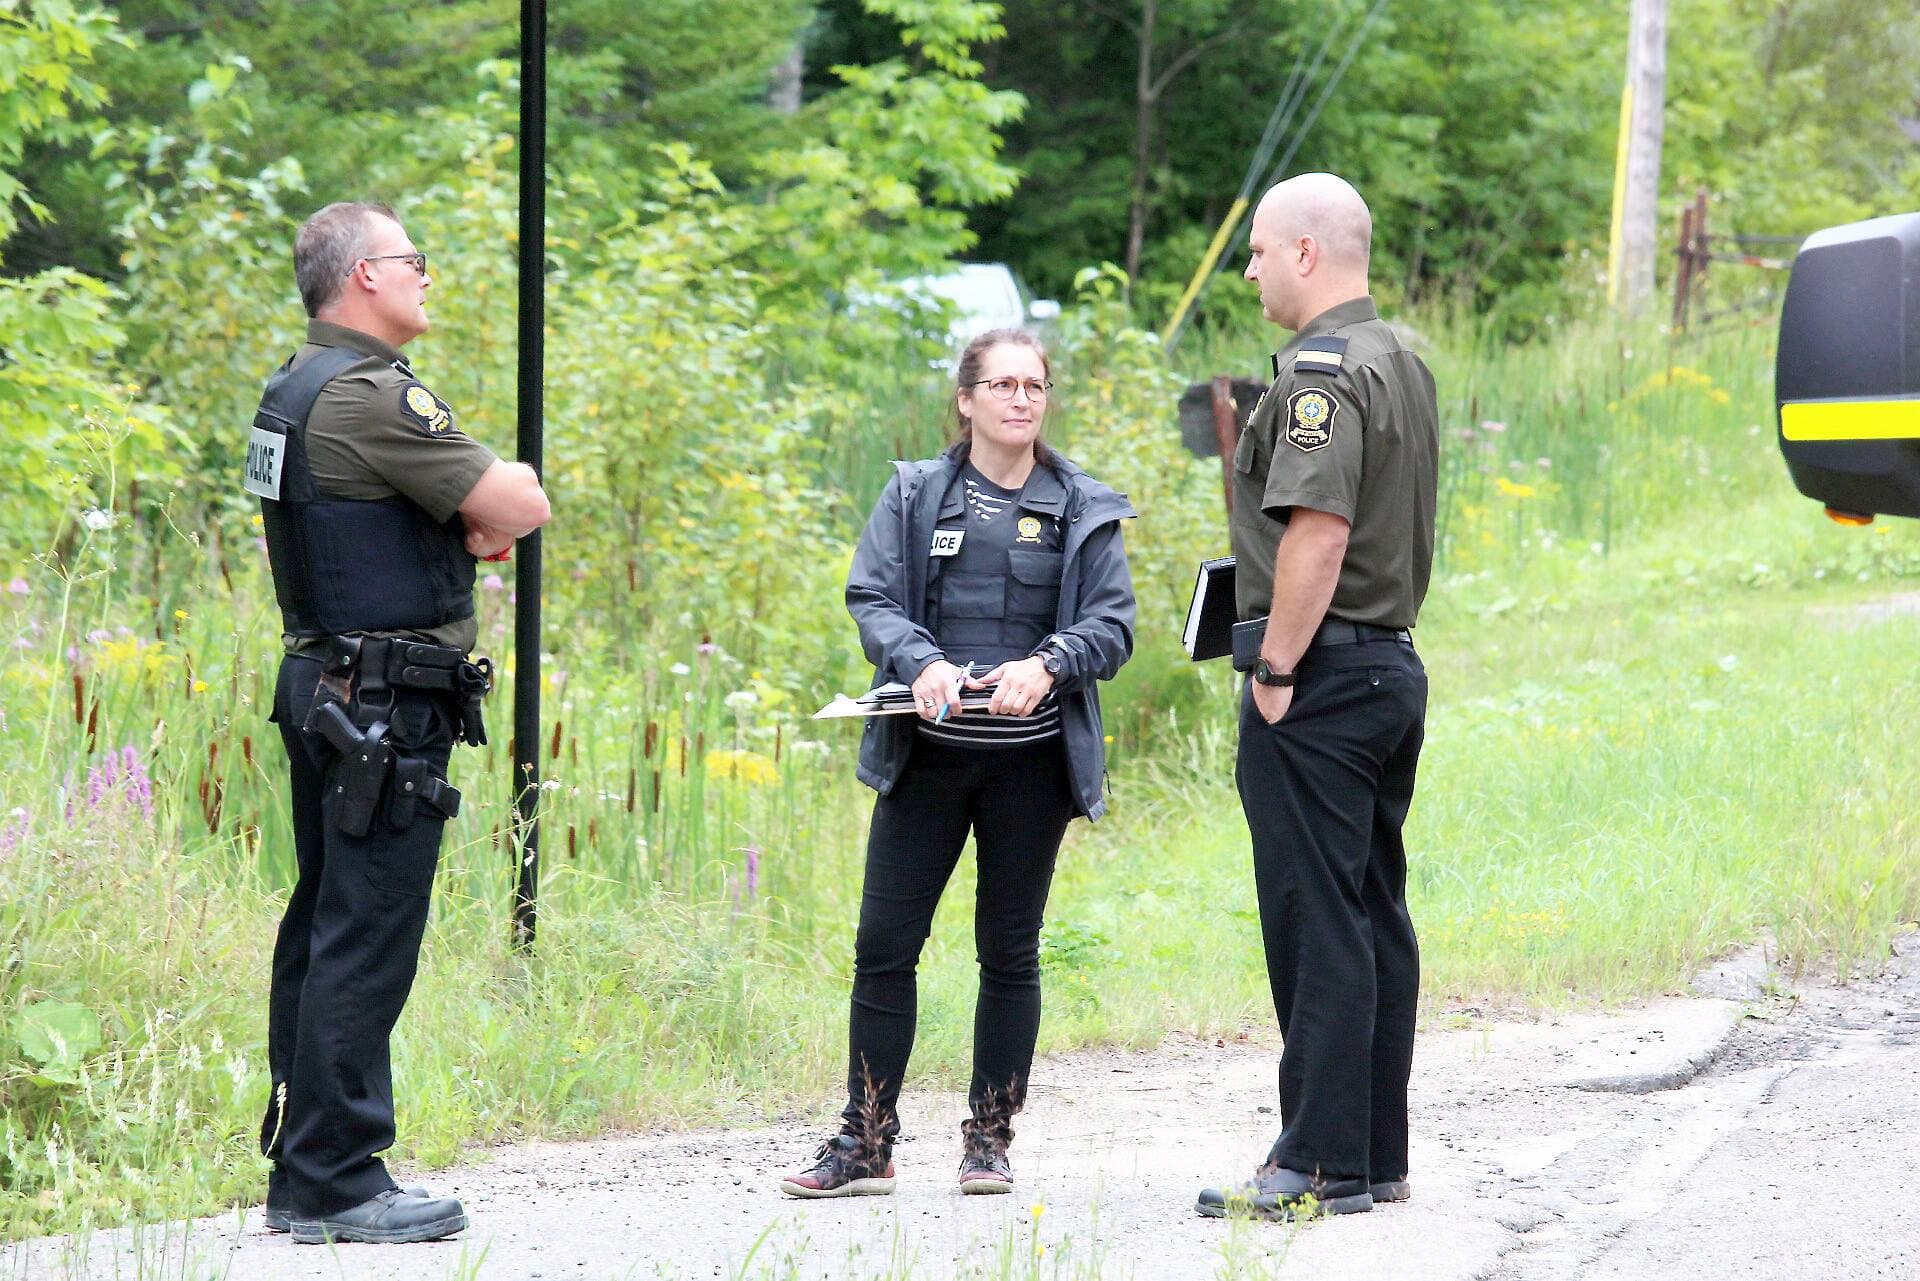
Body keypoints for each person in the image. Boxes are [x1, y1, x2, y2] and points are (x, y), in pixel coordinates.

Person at [251, 201, 550, 1244]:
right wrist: (483, 508)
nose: (426, 275)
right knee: (368, 931)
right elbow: (519, 505)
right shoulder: (373, 393)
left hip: (325, 681)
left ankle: (303, 1169)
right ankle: (339, 1178)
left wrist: (465, 517)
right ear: (363, 276)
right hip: (381, 701)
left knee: (326, 921)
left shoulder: (293, 385)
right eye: (412, 259)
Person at [779, 328, 1136, 1199]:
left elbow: (1113, 625)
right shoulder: (915, 494)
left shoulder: (1081, 505)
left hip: (1031, 770)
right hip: (927, 760)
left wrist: (1049, 662)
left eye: (1035, 385)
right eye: (1003, 384)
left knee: (1009, 951)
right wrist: (921, 662)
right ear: (967, 399)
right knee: (883, 946)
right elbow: (872, 596)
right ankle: (867, 1142)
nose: (1022, 399)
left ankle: (990, 1139)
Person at [1195, 174, 1438, 1220]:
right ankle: (1373, 1155)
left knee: (1317, 917)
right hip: (1384, 666)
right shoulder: (1402, 359)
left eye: (1257, 250)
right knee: (1371, 909)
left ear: (1305, 252)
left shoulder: (1319, 373)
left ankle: (1317, 1162)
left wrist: (1277, 670)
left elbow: (1319, 532)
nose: (1249, 270)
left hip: (1323, 678)